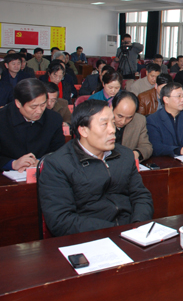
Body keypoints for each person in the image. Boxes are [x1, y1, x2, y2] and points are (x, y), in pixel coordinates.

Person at [38, 99, 153, 237]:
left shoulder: (124, 155)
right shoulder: (58, 164)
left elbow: (141, 196)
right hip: (90, 237)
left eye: (113, 123)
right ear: (83, 130)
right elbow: (61, 220)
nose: (112, 130)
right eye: (104, 124)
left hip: (132, 232)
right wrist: (117, 231)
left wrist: (137, 225)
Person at [0, 79, 64, 172]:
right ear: (18, 103)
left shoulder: (54, 119)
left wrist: (41, 162)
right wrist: (12, 163)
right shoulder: (2, 119)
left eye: (43, 105)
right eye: (33, 107)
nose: (39, 111)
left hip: (44, 173)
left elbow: (59, 152)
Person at [147, 82, 183, 156]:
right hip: (166, 161)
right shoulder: (153, 120)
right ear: (166, 99)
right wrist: (180, 151)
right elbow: (156, 147)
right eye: (178, 96)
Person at [112, 91, 153, 161]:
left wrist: (137, 153)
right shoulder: (100, 120)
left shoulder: (139, 120)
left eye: (129, 117)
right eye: (120, 116)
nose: (123, 121)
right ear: (112, 108)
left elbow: (147, 147)